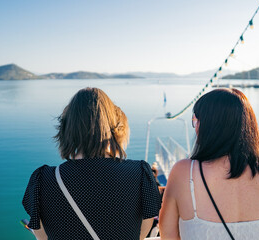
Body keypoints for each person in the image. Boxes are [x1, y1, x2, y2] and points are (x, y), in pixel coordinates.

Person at [22, 87, 161, 240]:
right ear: (116, 128)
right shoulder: (139, 174)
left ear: (67, 129)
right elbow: (141, 233)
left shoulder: (43, 180)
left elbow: (43, 237)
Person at [159, 88, 259, 240]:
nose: (195, 126)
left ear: (207, 125)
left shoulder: (184, 172)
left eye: (195, 120)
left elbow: (168, 233)